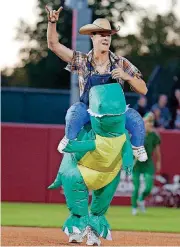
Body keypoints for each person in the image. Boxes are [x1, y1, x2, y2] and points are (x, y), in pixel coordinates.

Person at [45, 6, 148, 161]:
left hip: (115, 114)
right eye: (101, 34)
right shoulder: (82, 61)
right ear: (92, 37)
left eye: (108, 35)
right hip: (89, 112)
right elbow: (54, 45)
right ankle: (69, 138)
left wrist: (127, 76)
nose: (106, 38)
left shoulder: (121, 62)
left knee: (136, 120)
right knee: (74, 112)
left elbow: (144, 89)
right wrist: (52, 23)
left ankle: (137, 147)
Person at [131, 112, 161, 215]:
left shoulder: (154, 136)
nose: (150, 124)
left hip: (148, 163)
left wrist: (158, 162)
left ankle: (141, 199)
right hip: (136, 164)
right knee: (136, 187)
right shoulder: (137, 133)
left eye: (151, 122)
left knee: (148, 187)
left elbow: (157, 151)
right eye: (148, 121)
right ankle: (134, 207)